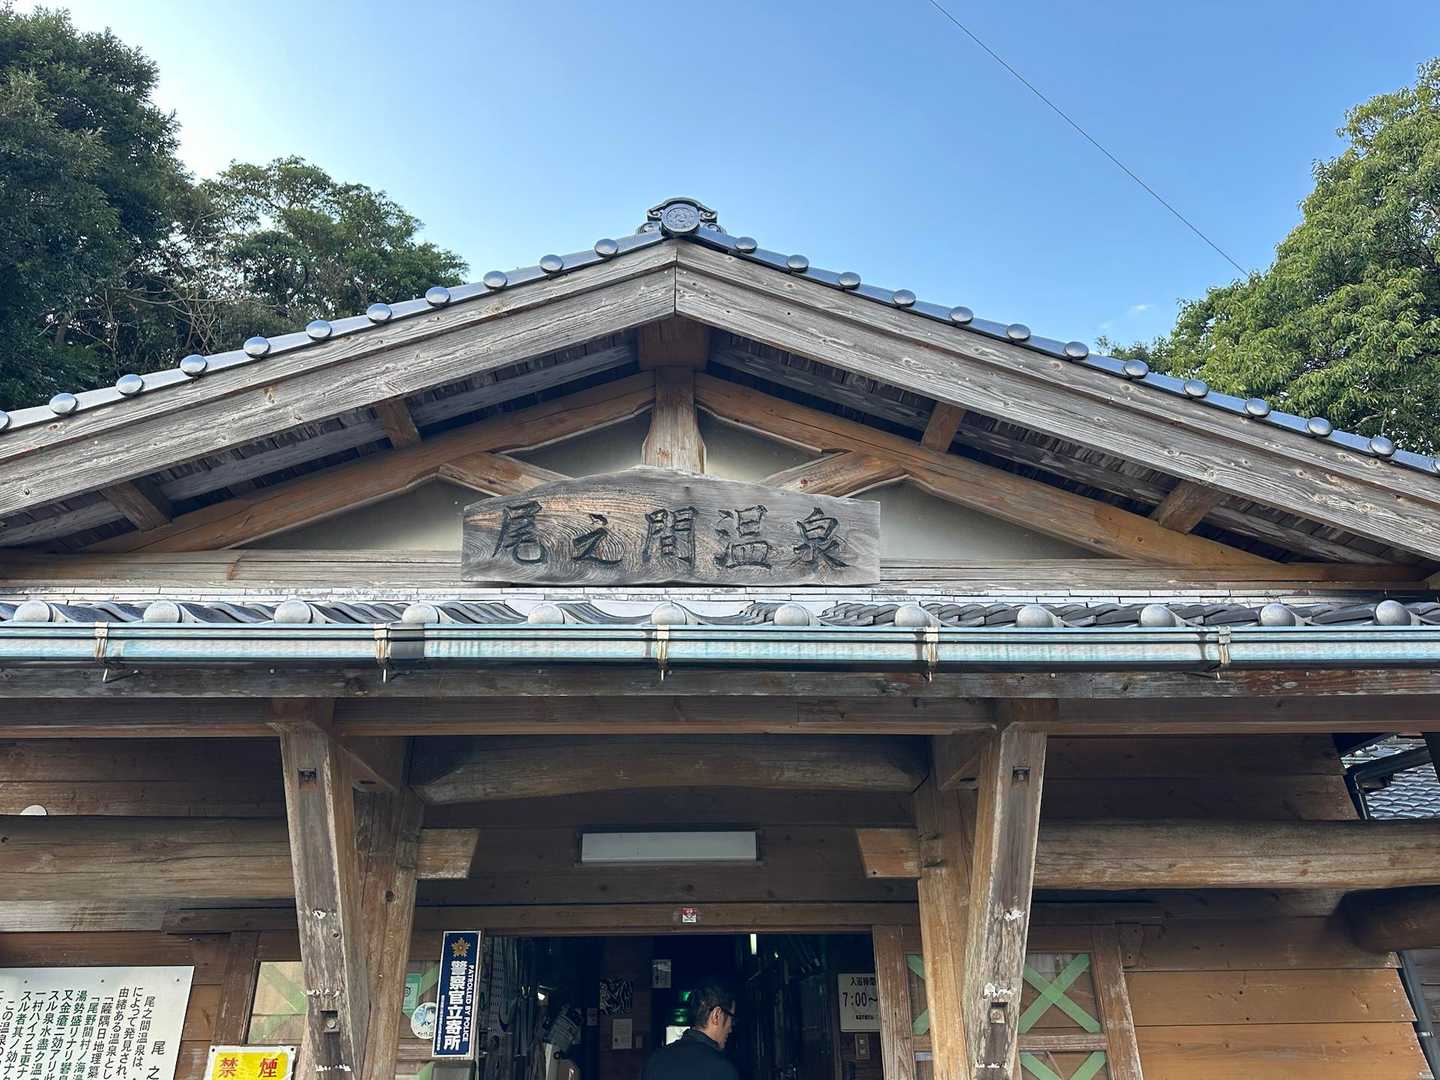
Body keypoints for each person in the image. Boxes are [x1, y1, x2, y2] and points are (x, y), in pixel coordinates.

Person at [640, 979, 740, 1080]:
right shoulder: (722, 1070)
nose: (731, 1029)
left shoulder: (655, 1061)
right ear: (716, 1015)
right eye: (732, 1019)